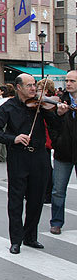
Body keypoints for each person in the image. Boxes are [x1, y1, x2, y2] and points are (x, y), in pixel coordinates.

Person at [0, 73, 62, 254]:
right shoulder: (8, 107)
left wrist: (57, 113)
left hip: (40, 157)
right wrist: (13, 138)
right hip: (19, 157)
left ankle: (31, 236)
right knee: (16, 199)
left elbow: (56, 126)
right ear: (19, 87)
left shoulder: (40, 105)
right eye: (29, 85)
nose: (33, 89)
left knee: (36, 199)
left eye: (34, 85)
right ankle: (16, 239)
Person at [47, 70, 77, 235]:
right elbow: (51, 125)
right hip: (62, 152)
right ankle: (56, 222)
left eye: (72, 81)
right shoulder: (60, 101)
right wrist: (58, 115)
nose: (68, 83)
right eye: (67, 81)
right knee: (58, 190)